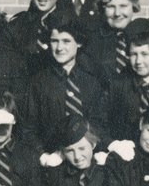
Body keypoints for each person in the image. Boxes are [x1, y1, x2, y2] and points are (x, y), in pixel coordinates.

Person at [21, 12, 109, 158]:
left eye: (66, 41)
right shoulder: (39, 82)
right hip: (52, 157)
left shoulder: (91, 82)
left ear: (79, 43)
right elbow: (28, 128)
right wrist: (43, 155)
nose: (59, 47)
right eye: (54, 41)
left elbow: (99, 123)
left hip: (86, 156)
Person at [83, 0, 141, 88]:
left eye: (123, 6)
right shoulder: (92, 41)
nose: (117, 13)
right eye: (111, 6)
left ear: (133, 5)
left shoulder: (145, 34)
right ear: (102, 8)